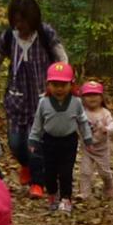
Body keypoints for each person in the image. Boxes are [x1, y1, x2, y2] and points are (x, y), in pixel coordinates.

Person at [0, 0, 67, 195]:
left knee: (35, 142)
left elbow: (61, 57)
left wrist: (62, 82)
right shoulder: (10, 36)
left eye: (24, 20)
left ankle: (38, 182)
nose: (20, 25)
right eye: (16, 20)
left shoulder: (45, 33)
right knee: (16, 143)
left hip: (42, 97)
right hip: (16, 97)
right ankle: (26, 165)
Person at [31, 63, 90, 212]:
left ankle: (66, 198)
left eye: (63, 85)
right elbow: (38, 122)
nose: (59, 89)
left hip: (68, 141)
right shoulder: (43, 102)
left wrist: (87, 137)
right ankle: (52, 195)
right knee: (49, 172)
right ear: (48, 85)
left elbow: (82, 121)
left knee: (66, 171)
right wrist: (33, 139)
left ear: (71, 85)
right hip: (49, 140)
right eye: (55, 84)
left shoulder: (76, 102)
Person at [80, 82, 113, 198]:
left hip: (102, 149)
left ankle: (109, 187)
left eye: (95, 95)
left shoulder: (105, 113)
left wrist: (107, 129)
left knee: (104, 173)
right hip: (87, 148)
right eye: (88, 95)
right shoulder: (82, 113)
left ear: (101, 97)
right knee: (85, 172)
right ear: (83, 98)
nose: (92, 98)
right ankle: (84, 193)